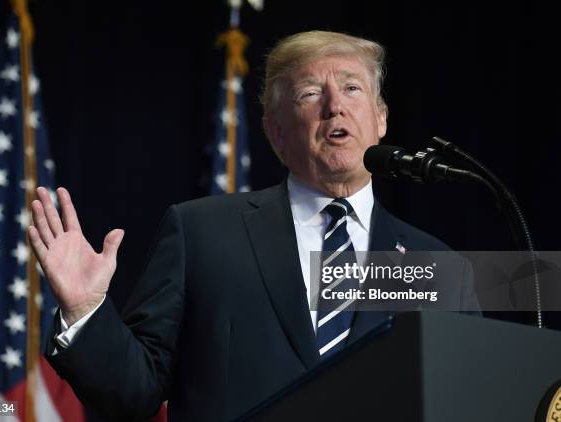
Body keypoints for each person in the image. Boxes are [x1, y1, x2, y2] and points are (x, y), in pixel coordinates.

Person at [28, 31, 479, 421]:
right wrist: (85, 312)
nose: (334, 107)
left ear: (380, 119)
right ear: (276, 131)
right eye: (309, 94)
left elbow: (466, 400)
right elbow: (136, 392)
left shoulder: (438, 266)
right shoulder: (202, 233)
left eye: (352, 88)